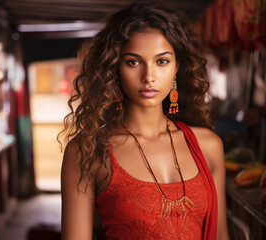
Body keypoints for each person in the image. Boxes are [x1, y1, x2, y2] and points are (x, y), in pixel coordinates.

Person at [59, 2, 229, 239]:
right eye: (134, 62)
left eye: (162, 61)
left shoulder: (208, 146)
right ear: (115, 68)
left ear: (177, 66)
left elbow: (220, 235)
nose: (149, 77)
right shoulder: (88, 151)